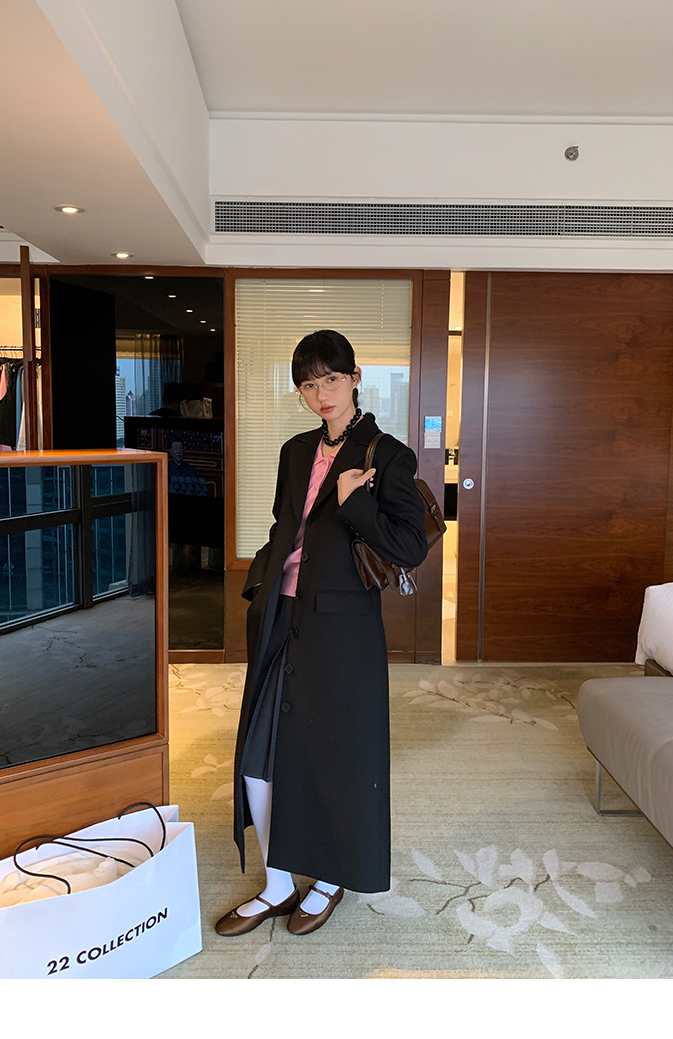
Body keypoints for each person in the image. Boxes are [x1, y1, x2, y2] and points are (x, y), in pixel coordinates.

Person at [215, 329, 429, 938]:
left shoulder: (388, 456)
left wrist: (355, 502)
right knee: (257, 758)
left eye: (331, 379)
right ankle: (278, 883)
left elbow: (410, 546)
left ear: (355, 377)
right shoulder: (294, 450)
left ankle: (330, 879)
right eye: (309, 385)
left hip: (342, 629)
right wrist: (262, 581)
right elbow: (284, 526)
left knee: (333, 757)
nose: (321, 394)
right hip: (281, 616)